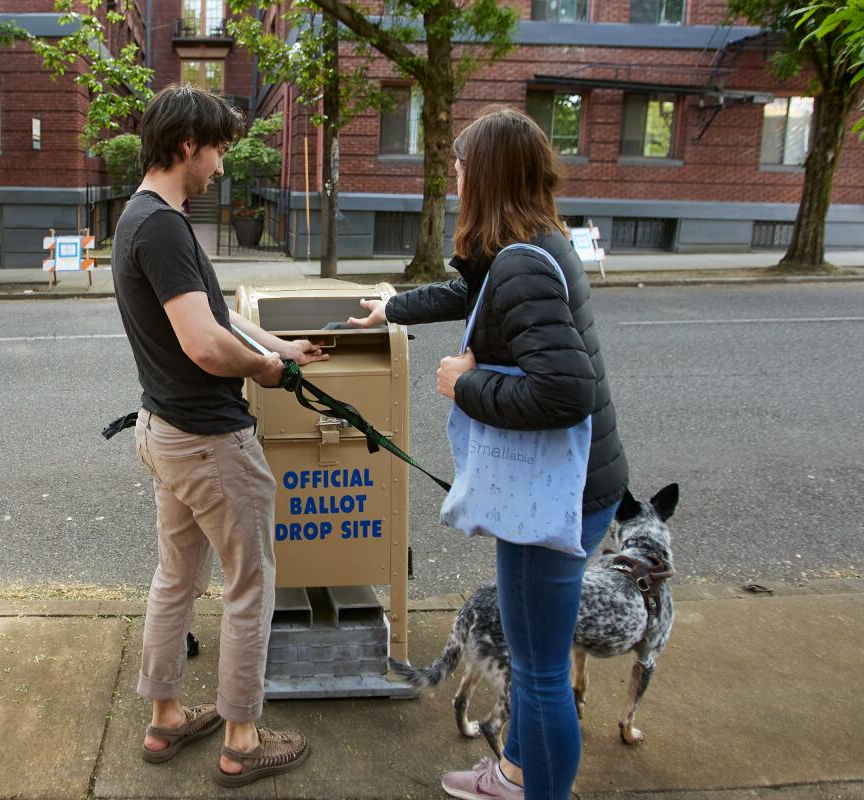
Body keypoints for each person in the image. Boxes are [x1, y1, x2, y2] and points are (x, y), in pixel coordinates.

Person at [349, 107, 630, 799]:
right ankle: (513, 774)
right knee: (536, 663)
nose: (454, 178)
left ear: (488, 176)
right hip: (570, 486)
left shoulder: (522, 267)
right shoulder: (530, 248)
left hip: (554, 496)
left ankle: (537, 787)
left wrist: (465, 385)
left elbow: (564, 392)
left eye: (461, 168)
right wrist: (392, 309)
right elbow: (474, 296)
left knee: (538, 673)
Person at [111, 85, 326, 788]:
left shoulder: (140, 217)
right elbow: (207, 346)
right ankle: (242, 738)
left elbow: (216, 317)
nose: (222, 169)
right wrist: (264, 370)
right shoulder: (166, 229)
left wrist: (280, 345)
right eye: (219, 152)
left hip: (164, 432)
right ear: (186, 147)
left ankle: (166, 716)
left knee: (176, 577)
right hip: (208, 440)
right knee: (249, 583)